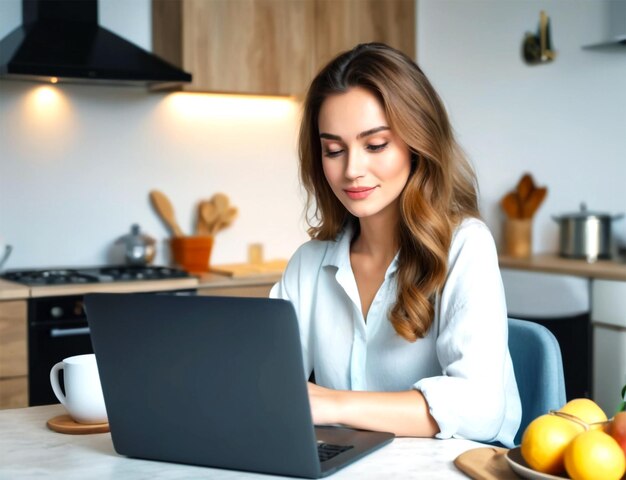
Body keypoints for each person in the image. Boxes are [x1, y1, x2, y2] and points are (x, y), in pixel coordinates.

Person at [270, 43, 521, 447]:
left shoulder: (465, 247)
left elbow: (481, 409)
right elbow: (266, 384)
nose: (351, 170)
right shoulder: (308, 265)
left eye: (375, 145)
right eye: (333, 150)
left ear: (417, 142)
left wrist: (334, 405)